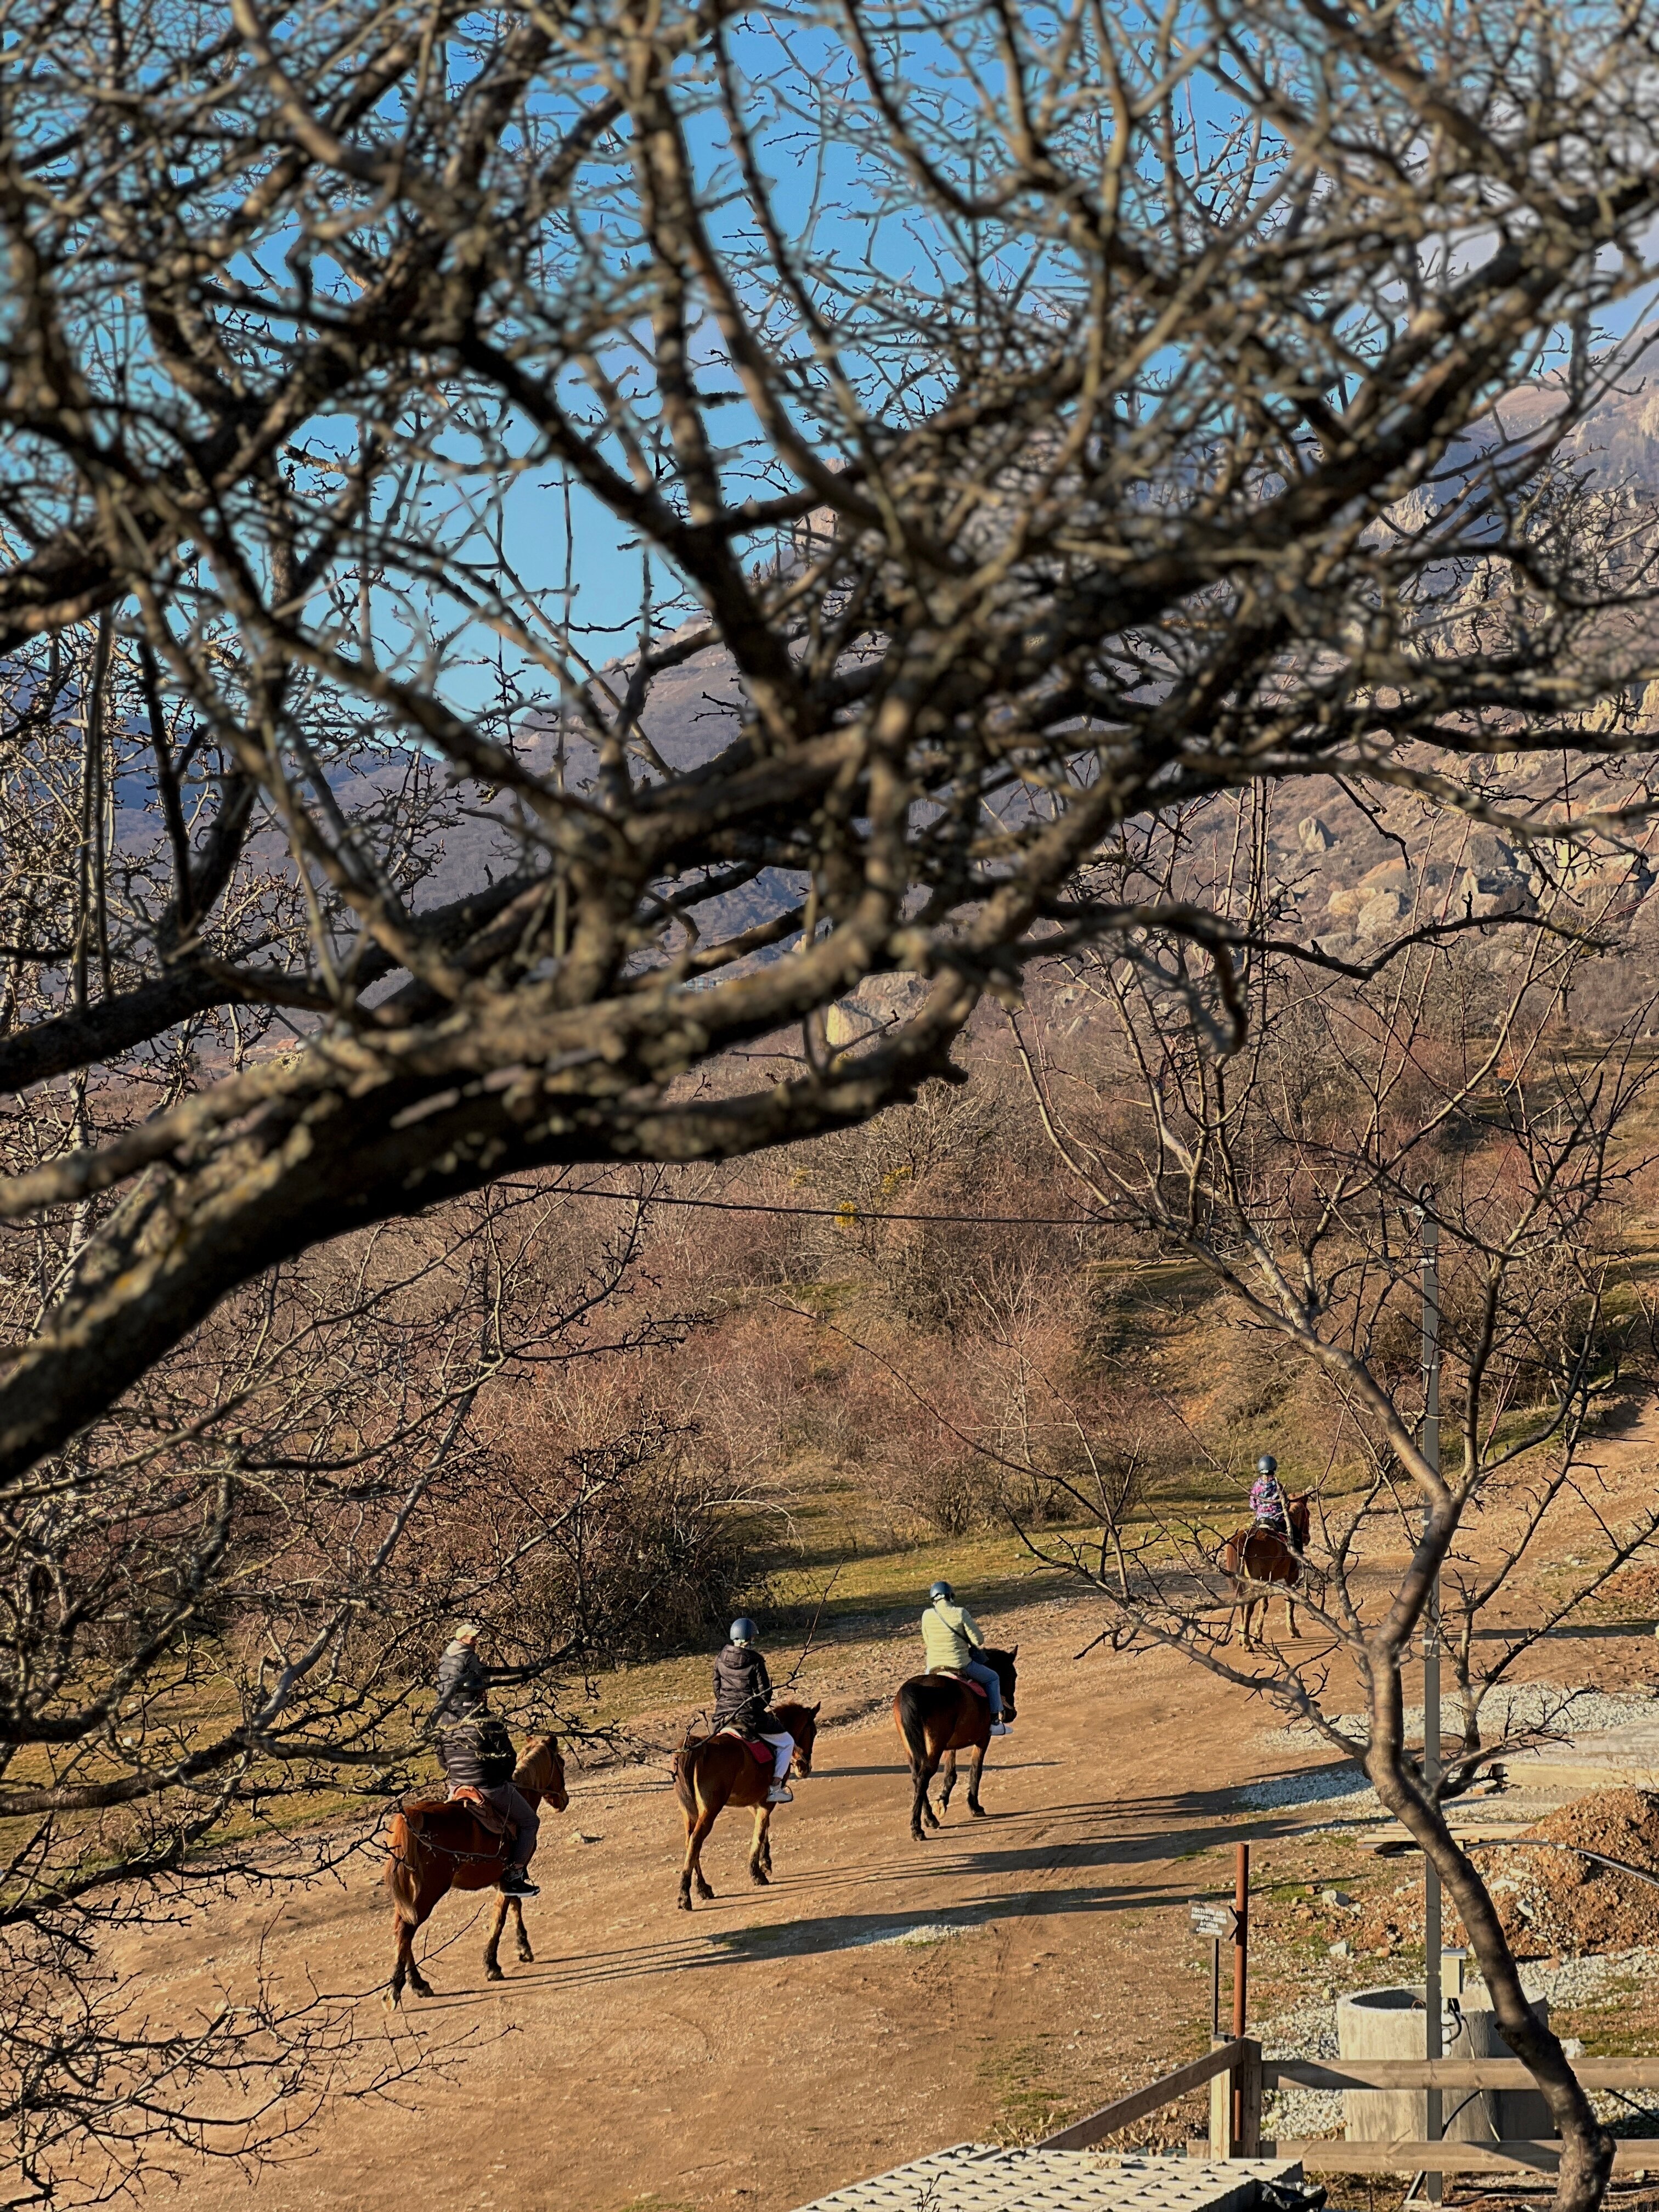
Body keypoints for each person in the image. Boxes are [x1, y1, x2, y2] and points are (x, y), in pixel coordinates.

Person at [433, 1622, 540, 1897]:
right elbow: (508, 1760)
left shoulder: (445, 1723)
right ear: (478, 1693)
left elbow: (442, 1761)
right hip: (489, 1787)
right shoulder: (489, 1721)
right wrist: (500, 1777)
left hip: (456, 1786)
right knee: (530, 1823)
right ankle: (514, 1875)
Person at [712, 1618, 795, 1805]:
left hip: (722, 1716)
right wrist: (753, 1708)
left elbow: (717, 1689)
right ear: (750, 1638)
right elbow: (765, 1695)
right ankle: (776, 1788)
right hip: (748, 1717)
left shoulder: (720, 1658)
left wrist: (727, 1705)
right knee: (787, 1743)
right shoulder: (755, 1660)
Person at [920, 1581, 1009, 1734]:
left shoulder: (927, 1615)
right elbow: (978, 1641)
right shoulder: (960, 1613)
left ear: (933, 1599)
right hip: (960, 1664)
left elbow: (927, 1641)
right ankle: (995, 1721)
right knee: (993, 1678)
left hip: (934, 1665)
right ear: (950, 1596)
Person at [1249, 1454, 1290, 1539]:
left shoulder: (1256, 1486)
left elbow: (1253, 1506)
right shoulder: (1278, 1486)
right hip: (1276, 1519)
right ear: (1274, 1468)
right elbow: (1285, 1503)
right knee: (1292, 1531)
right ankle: (1292, 1545)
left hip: (1260, 1519)